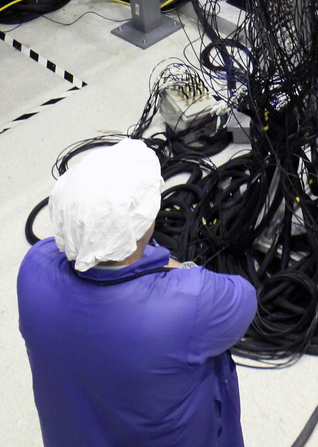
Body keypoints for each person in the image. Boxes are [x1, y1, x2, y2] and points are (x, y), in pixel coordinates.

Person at [18, 139, 257, 447]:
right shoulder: (186, 302)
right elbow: (244, 297)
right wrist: (175, 266)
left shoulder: (33, 273)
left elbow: (59, 246)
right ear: (145, 224)